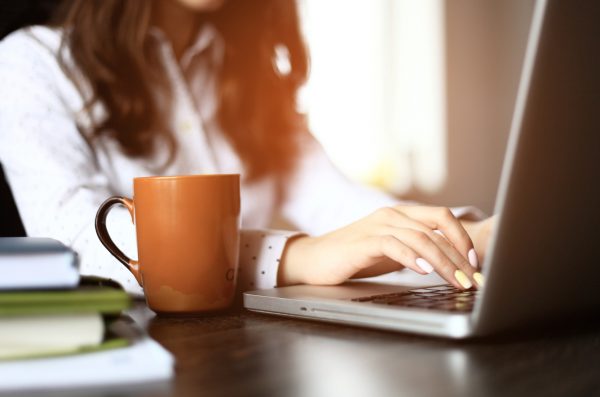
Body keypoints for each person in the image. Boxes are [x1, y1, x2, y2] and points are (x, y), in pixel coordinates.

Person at [0, 0, 494, 297]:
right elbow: (77, 245)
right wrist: (299, 257)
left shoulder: (246, 72)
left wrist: (477, 237)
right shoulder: (30, 65)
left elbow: (338, 205)